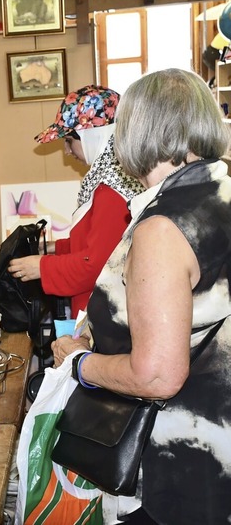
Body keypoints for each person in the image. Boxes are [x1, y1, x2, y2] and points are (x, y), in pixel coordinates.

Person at [51, 69, 231, 524]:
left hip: (183, 462)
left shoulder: (165, 227)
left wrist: (77, 362)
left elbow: (157, 376)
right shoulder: (221, 193)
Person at [8, 85, 144, 319]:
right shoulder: (110, 176)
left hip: (108, 315)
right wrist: (56, 249)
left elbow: (96, 265)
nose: (67, 151)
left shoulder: (112, 189)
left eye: (70, 140)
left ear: (93, 135)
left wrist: (40, 267)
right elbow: (97, 243)